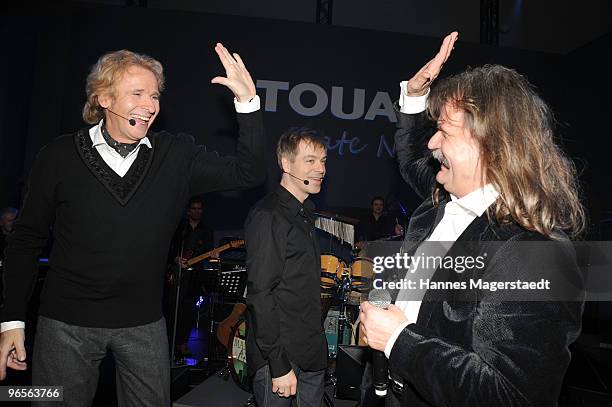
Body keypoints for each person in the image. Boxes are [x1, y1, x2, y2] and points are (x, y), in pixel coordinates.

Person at [0, 44, 265, 406]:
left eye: (154, 95)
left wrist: (247, 103)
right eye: (137, 93)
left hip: (143, 325)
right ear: (104, 99)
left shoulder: (176, 156)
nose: (150, 105)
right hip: (65, 326)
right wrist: (11, 321)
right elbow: (26, 241)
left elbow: (248, 172)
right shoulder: (58, 156)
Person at [360, 32, 586, 407]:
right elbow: (411, 157)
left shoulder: (534, 252)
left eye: (444, 132)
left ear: (490, 144)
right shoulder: (441, 201)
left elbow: (510, 395)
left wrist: (400, 340)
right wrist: (415, 95)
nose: (432, 144)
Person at [245, 128, 328, 406]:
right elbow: (260, 294)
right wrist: (278, 365)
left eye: (323, 161)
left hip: (311, 353)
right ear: (285, 163)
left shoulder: (304, 214)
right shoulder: (269, 215)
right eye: (310, 161)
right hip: (279, 360)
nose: (320, 169)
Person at [167, 196, 214, 358]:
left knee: (189, 312)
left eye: (199, 209)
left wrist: (211, 256)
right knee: (173, 310)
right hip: (177, 275)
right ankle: (169, 343)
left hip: (195, 276)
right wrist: (175, 258)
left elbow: (209, 252)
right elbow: (168, 247)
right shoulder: (180, 228)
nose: (196, 211)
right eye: (194, 208)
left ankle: (183, 343)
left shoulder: (206, 231)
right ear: (188, 211)